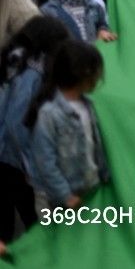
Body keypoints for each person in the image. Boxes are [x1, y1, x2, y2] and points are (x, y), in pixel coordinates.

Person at [0, 16, 69, 243]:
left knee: (6, 224)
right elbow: (16, 124)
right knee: (33, 225)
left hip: (5, 154)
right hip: (13, 159)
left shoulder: (14, 56)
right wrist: (31, 166)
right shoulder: (35, 71)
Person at [26, 39, 109, 209]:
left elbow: (94, 145)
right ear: (83, 73)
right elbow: (45, 162)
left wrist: (104, 175)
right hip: (64, 198)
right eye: (95, 73)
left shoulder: (88, 106)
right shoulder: (49, 115)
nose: (98, 78)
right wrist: (65, 195)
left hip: (89, 188)